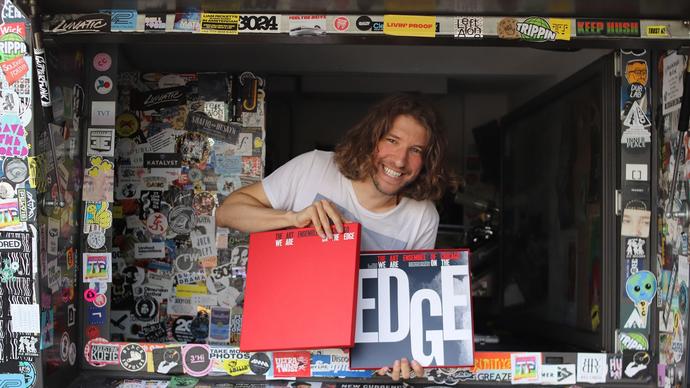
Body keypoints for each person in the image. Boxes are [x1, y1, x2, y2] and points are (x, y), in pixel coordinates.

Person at [216, 93, 456, 380]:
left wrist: (404, 356)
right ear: (372, 138)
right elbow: (227, 211)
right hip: (281, 357)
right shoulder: (313, 167)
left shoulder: (423, 217)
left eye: (416, 150)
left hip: (357, 370)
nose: (401, 160)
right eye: (392, 140)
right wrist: (292, 219)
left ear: (427, 161)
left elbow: (408, 308)